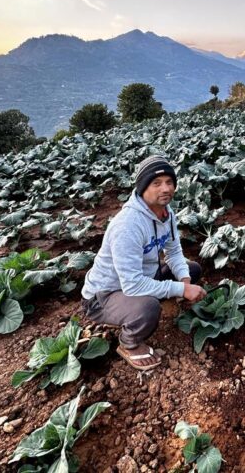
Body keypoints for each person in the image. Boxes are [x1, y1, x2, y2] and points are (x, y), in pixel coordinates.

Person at [81, 155, 206, 370]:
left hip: (143, 277)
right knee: (148, 307)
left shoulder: (166, 213)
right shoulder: (127, 225)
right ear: (142, 188)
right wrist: (181, 290)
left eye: (169, 182)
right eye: (156, 183)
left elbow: (174, 252)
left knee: (192, 270)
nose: (165, 189)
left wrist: (185, 282)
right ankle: (129, 343)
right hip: (104, 295)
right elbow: (132, 285)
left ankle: (151, 303)